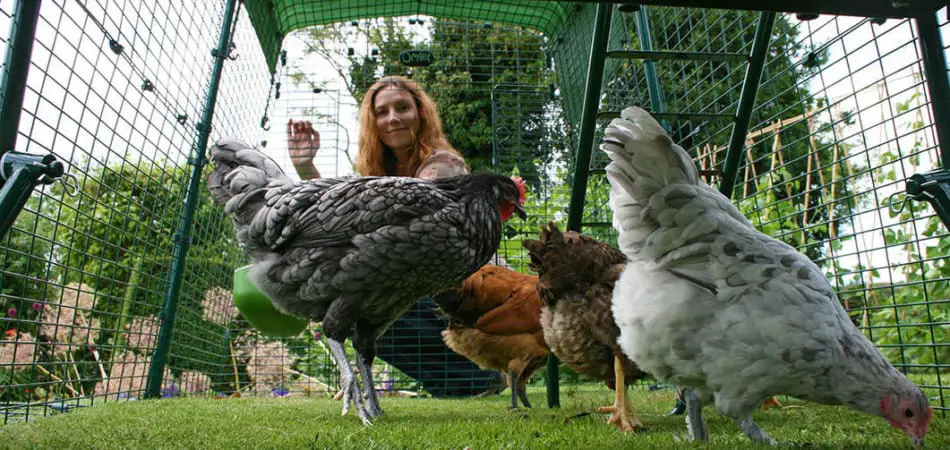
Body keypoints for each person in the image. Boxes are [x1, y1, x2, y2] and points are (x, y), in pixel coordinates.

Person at [286, 75, 504, 398]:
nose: (393, 118)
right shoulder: (378, 174)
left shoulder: (442, 165)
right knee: (362, 304)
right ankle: (460, 382)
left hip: (468, 289)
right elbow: (347, 217)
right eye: (382, 111)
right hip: (424, 284)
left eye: (402, 107)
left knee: (372, 301)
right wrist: (306, 168)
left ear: (421, 113)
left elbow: (411, 231)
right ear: (372, 122)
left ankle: (479, 378)